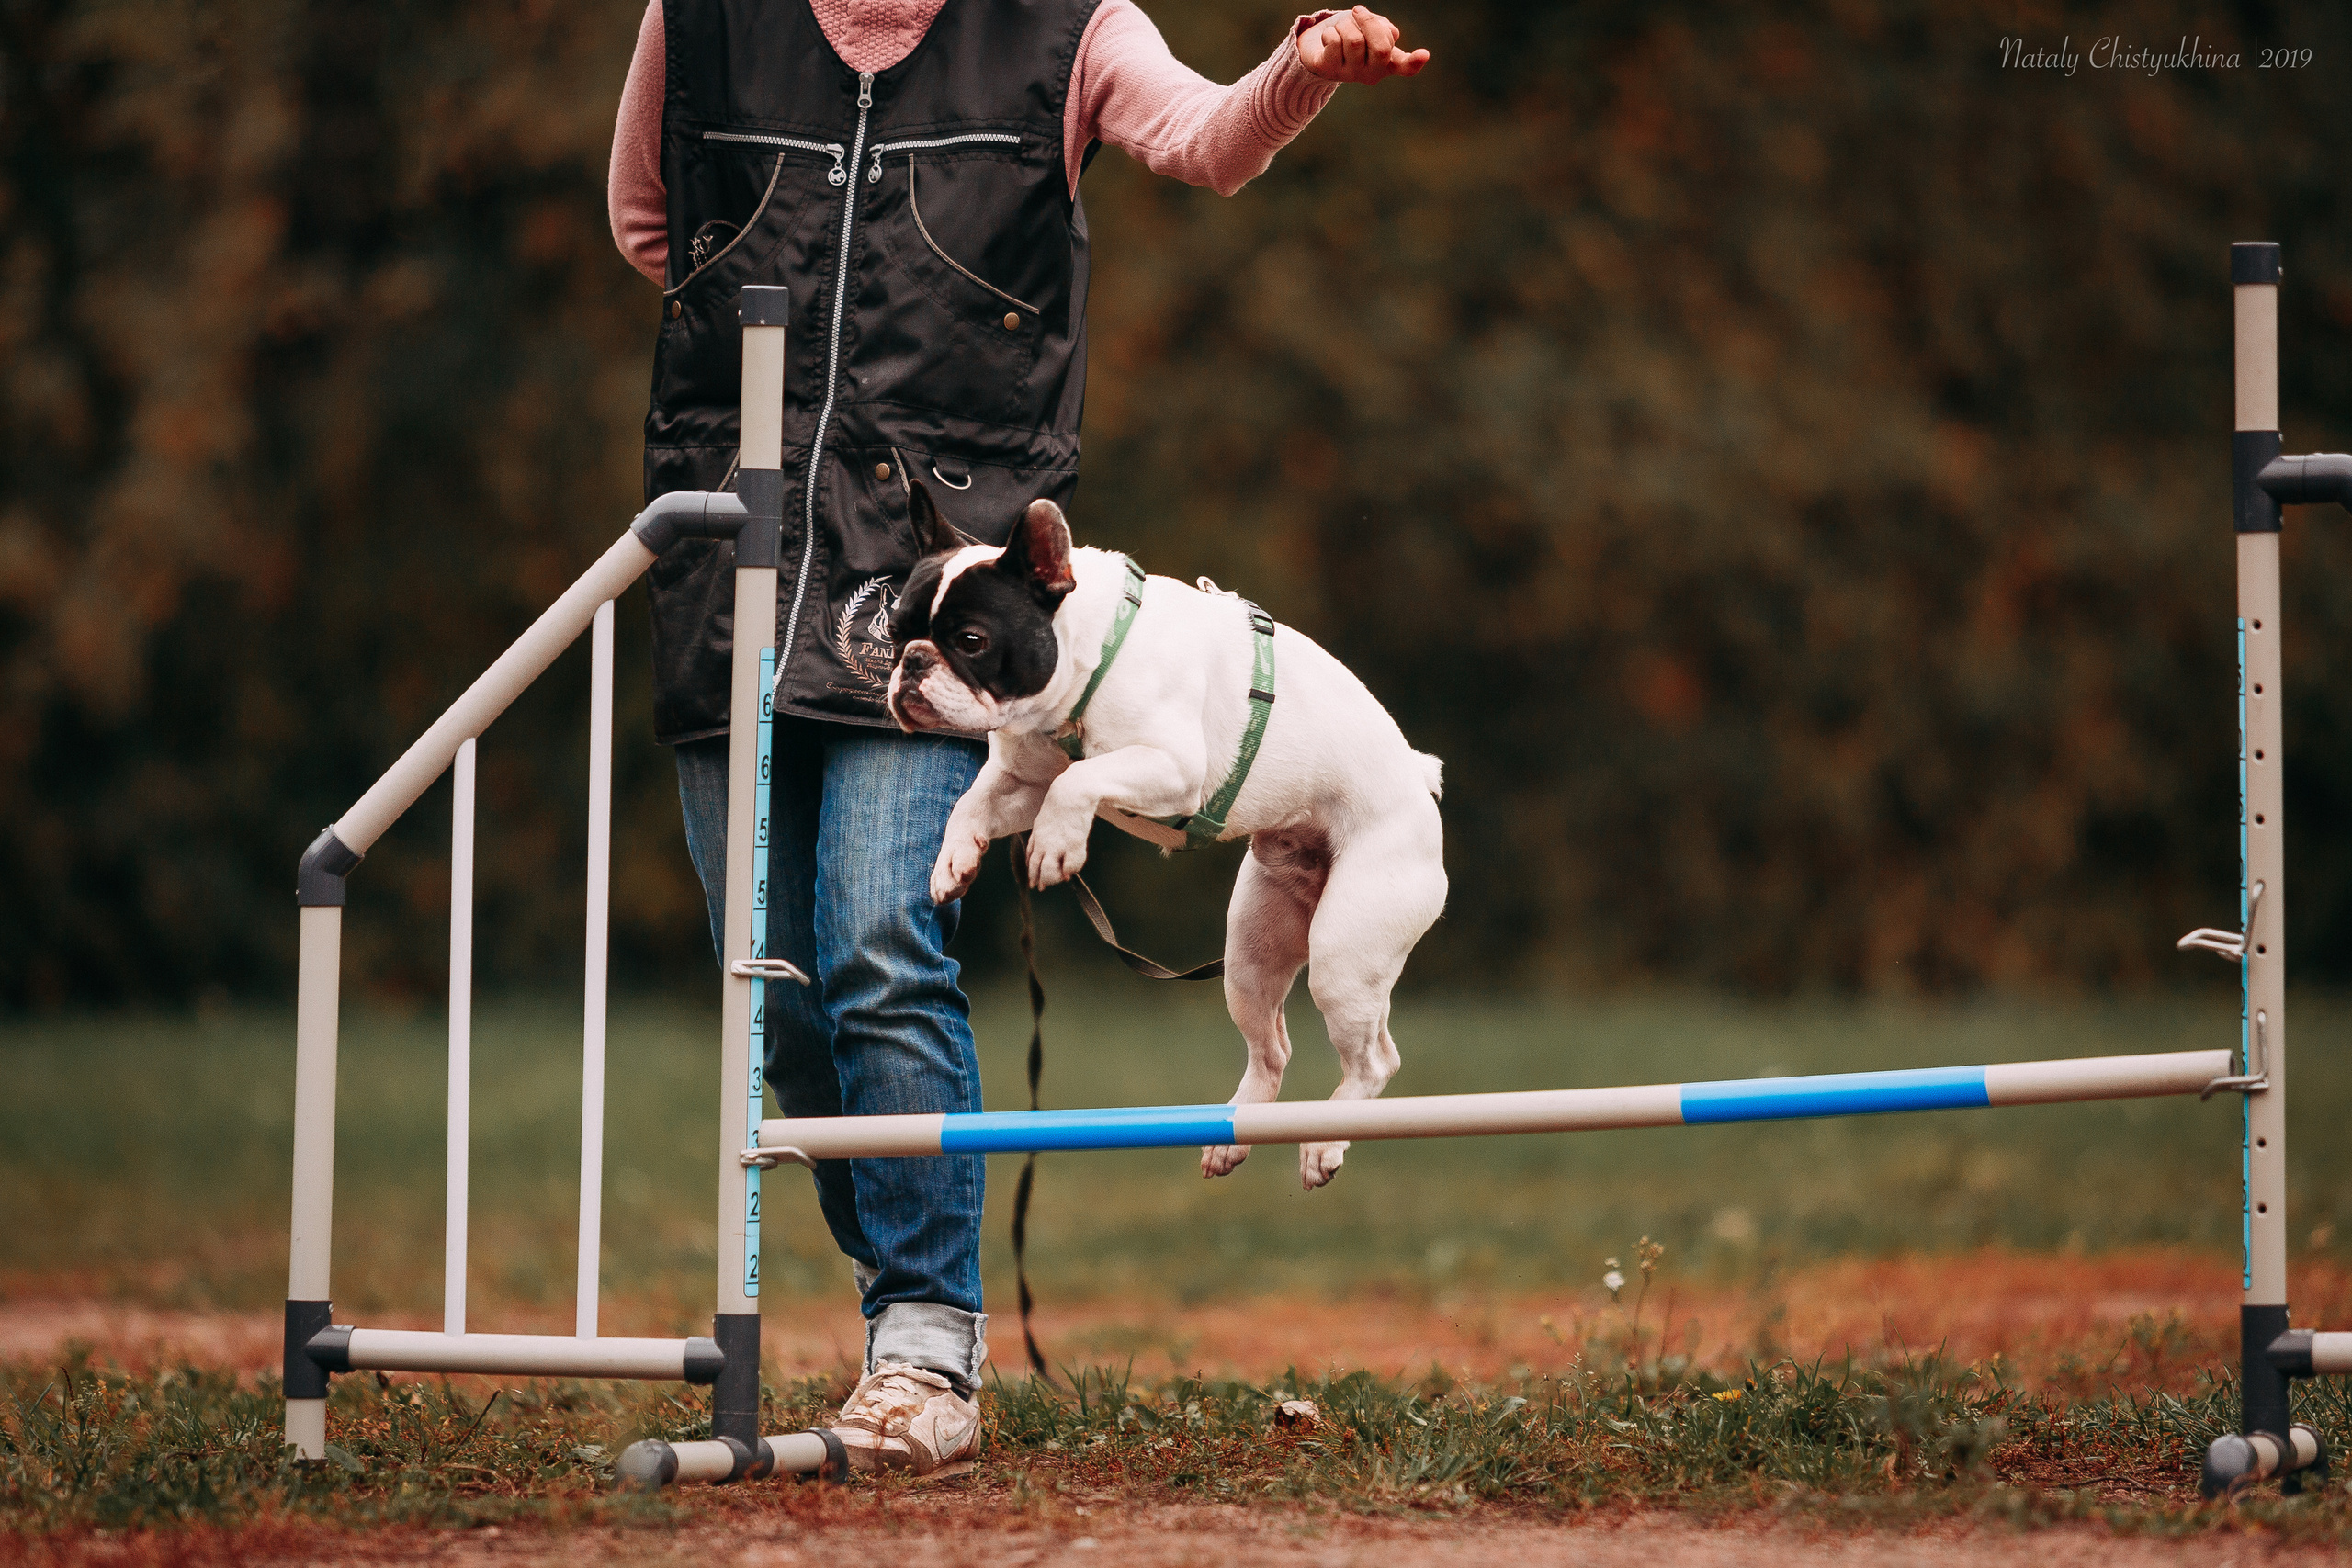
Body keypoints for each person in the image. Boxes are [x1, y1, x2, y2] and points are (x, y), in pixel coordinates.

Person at [607, 0, 1427, 1479]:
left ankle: (927, 1342)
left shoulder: (1069, 27)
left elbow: (1201, 141)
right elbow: (654, 223)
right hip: (738, 561)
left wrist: (1302, 67)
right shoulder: (705, 20)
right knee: (774, 1003)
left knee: (877, 947)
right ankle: (897, 1303)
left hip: (947, 594)